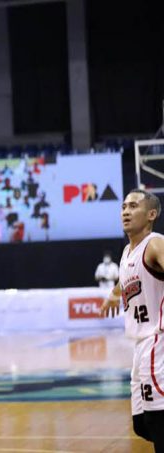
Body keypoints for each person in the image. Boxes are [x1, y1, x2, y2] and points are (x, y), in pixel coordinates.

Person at [101, 189, 164, 452]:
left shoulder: (155, 243)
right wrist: (114, 295)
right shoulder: (128, 251)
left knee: (160, 420)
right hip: (140, 346)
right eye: (123, 206)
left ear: (151, 214)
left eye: (133, 206)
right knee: (142, 423)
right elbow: (125, 279)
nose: (126, 211)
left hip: (158, 340)